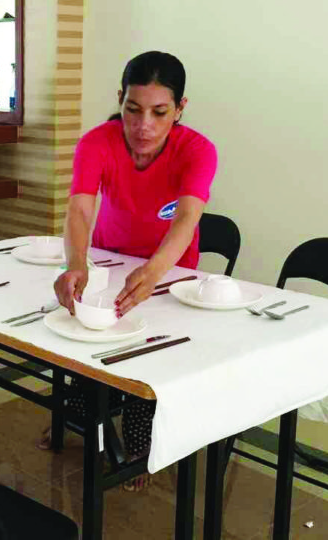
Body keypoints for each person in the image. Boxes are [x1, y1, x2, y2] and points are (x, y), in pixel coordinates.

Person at [43, 51, 218, 491]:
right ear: (120, 99)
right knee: (84, 345)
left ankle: (138, 449)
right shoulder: (97, 142)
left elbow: (187, 219)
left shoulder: (198, 151)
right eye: (133, 110)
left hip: (170, 273)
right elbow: (81, 208)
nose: (144, 126)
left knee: (147, 358)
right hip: (108, 261)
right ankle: (80, 420)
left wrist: (156, 271)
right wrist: (76, 263)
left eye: (160, 113)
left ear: (179, 109)